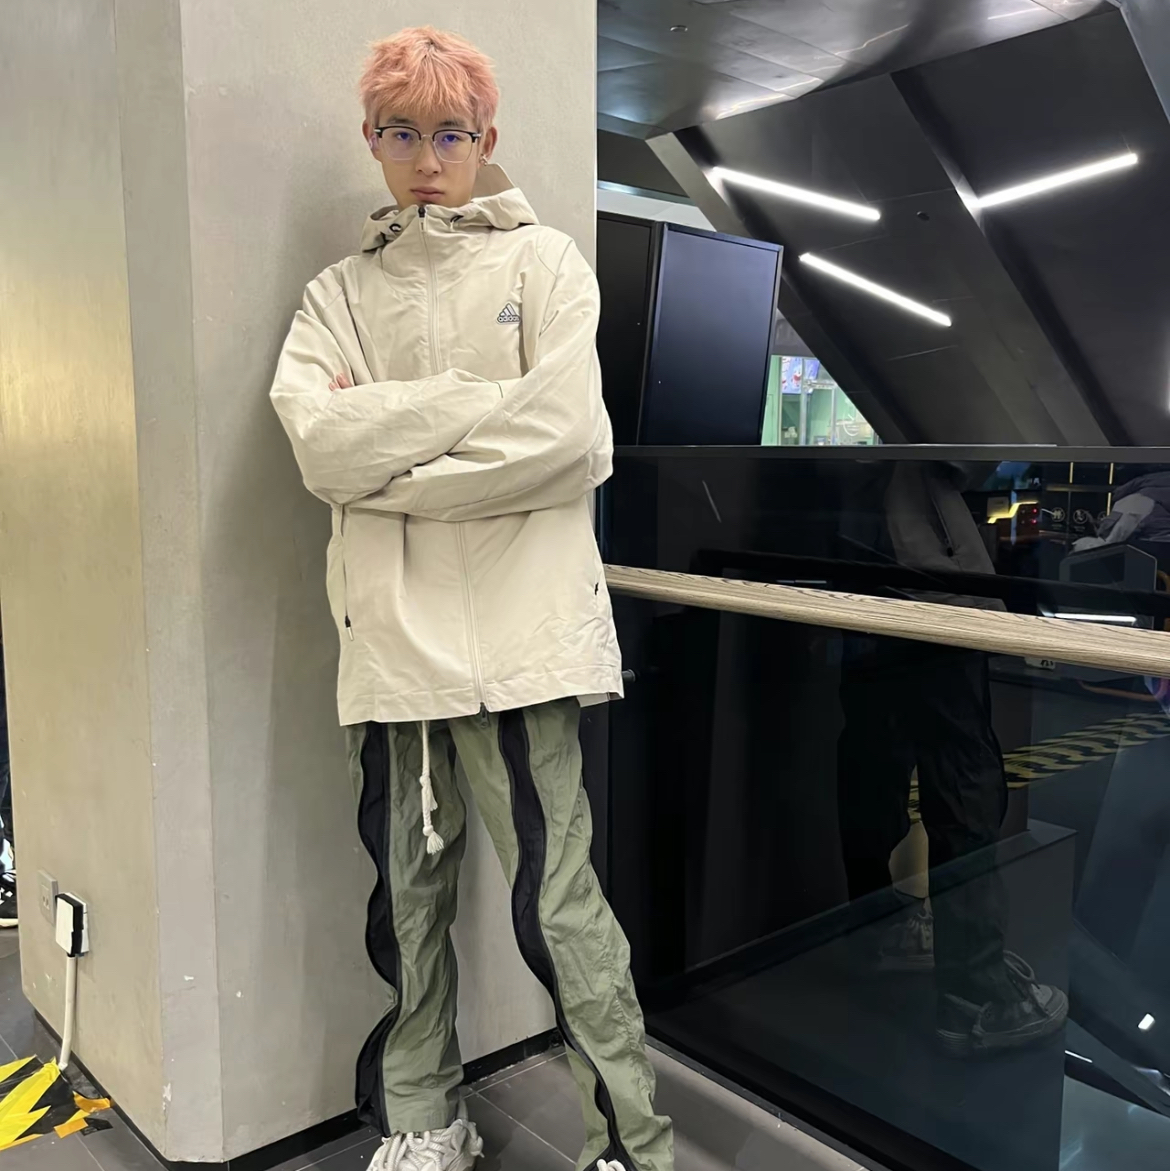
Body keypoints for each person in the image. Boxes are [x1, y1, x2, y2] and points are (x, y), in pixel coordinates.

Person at [270, 27, 672, 1171]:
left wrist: (392, 447)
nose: (427, 157)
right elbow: (319, 445)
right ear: (372, 139)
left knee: (561, 910)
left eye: (450, 133)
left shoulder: (546, 266)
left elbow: (569, 438)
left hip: (525, 643)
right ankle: (422, 1120)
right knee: (408, 906)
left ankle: (630, 1147)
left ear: (487, 138)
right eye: (403, 133)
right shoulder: (337, 296)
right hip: (392, 646)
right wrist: (471, 403)